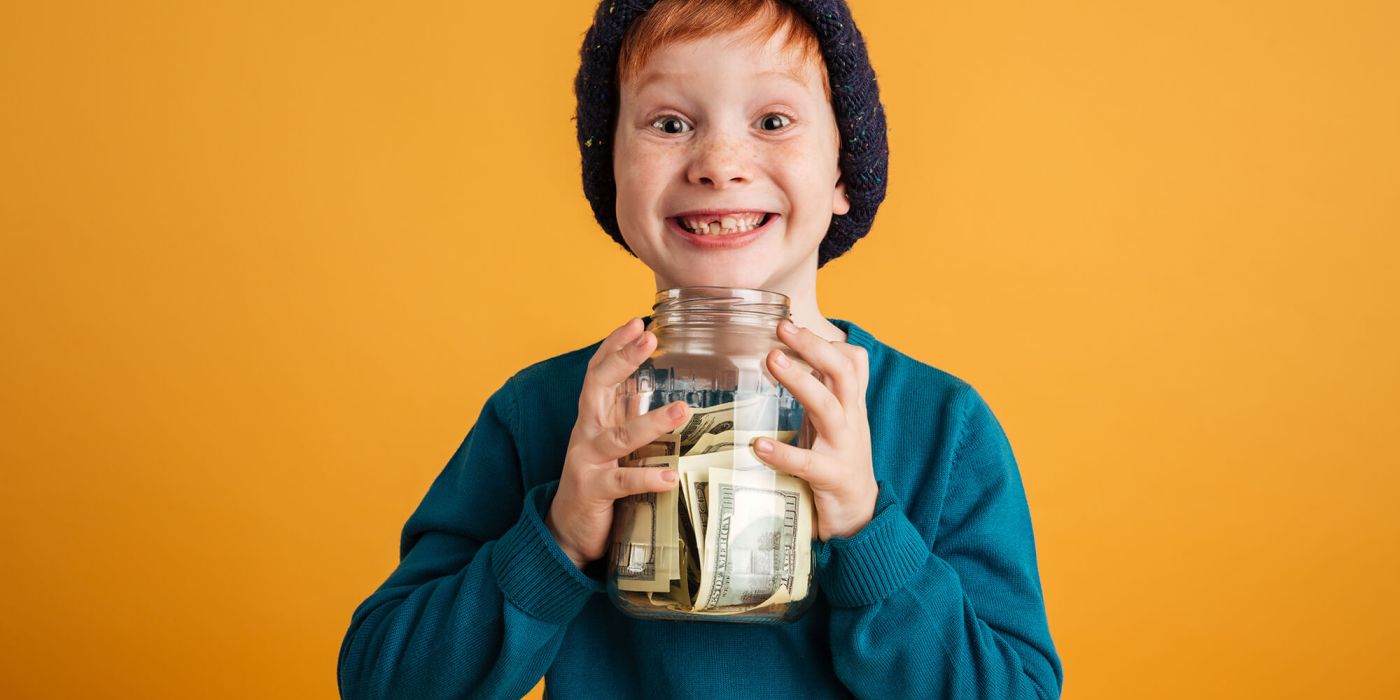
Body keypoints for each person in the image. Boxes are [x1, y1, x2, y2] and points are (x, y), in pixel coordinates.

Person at [337, 1, 1064, 697]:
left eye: (773, 120)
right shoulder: (545, 414)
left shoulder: (943, 427)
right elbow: (380, 680)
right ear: (611, 176)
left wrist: (868, 530)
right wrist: (556, 536)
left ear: (843, 173)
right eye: (670, 122)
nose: (719, 161)